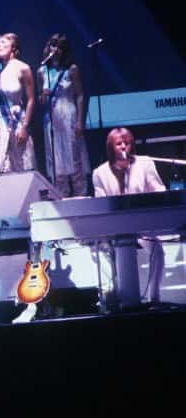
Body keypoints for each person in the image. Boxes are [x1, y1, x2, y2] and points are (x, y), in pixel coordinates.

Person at [92, 127, 166, 303]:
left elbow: (159, 190)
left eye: (127, 143)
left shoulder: (145, 163)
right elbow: (100, 203)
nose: (124, 146)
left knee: (158, 250)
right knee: (100, 250)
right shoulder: (100, 172)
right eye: (119, 143)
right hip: (114, 226)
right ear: (111, 147)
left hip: (142, 222)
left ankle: (154, 297)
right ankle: (113, 297)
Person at [38, 33, 90, 197]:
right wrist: (43, 95)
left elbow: (80, 94)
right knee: (56, 161)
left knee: (74, 159)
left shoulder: (71, 69)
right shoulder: (42, 71)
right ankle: (61, 197)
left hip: (68, 114)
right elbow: (41, 100)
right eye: (53, 45)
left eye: (60, 47)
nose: (56, 49)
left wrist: (80, 120)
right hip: (51, 118)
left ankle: (81, 196)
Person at [0, 32, 36, 183]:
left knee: (20, 165)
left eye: (3, 42)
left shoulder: (23, 68)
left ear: (13, 47)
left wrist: (25, 126)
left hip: (15, 121)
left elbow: (31, 99)